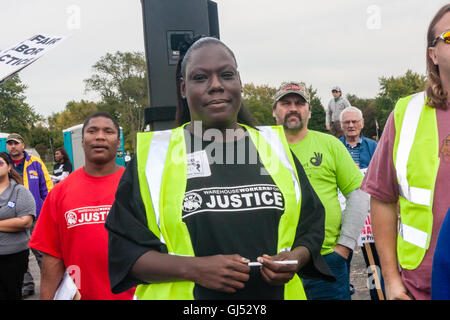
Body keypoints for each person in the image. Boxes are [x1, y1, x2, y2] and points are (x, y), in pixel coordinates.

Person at [105, 36, 334, 300]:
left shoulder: (276, 149)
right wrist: (194, 269)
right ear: (183, 88)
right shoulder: (154, 158)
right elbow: (124, 253)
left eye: (226, 75)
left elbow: (311, 228)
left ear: (239, 82)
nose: (216, 86)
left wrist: (295, 258)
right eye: (200, 78)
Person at [361, 4, 450, 300]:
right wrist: (391, 279)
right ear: (432, 54)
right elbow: (383, 199)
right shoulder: (407, 114)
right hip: (421, 288)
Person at [272, 81, 368, 300]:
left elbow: (359, 192)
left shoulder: (330, 144)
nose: (293, 108)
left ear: (309, 110)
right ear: (274, 110)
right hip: (274, 265)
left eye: (299, 103)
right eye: (286, 103)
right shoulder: (260, 147)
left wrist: (345, 245)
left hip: (326, 260)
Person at [28, 113, 134, 300]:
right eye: (92, 131)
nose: (100, 136)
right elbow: (52, 257)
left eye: (108, 131)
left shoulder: (139, 187)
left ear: (118, 143)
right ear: (83, 142)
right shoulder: (60, 193)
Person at [339, 106, 385, 300]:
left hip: (368, 215)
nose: (351, 125)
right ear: (341, 125)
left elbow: (382, 172)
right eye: (347, 122)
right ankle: (343, 294)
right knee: (341, 260)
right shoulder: (334, 146)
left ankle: (377, 295)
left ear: (362, 124)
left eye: (354, 122)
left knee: (374, 263)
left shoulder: (373, 146)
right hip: (343, 214)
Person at [6, 133, 53, 297]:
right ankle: (27, 284)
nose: (13, 146)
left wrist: (49, 210)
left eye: (16, 143)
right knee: (19, 251)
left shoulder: (35, 162)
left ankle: (51, 283)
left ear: (22, 145)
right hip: (13, 217)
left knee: (41, 252)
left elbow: (46, 187)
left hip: (36, 216)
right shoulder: (4, 163)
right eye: (9, 143)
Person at [0, 152, 36, 300]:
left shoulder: (20, 191)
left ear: (9, 167)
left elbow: (25, 222)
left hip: (13, 256)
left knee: (11, 294)